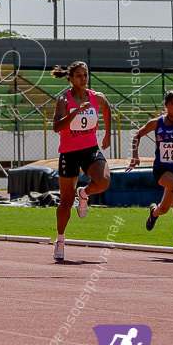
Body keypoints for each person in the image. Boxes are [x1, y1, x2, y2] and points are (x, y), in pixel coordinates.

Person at [51, 61, 112, 261]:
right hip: (69, 152)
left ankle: (84, 193)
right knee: (66, 202)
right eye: (78, 75)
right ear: (70, 78)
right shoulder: (64, 99)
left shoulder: (97, 97)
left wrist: (108, 135)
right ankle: (60, 239)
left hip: (90, 148)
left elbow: (107, 108)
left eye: (85, 75)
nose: (83, 78)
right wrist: (75, 112)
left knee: (103, 182)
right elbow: (57, 127)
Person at [125, 90, 173, 244]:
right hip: (161, 169)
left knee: (164, 209)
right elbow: (136, 135)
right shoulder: (156, 123)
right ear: (166, 105)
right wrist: (135, 155)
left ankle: (153, 213)